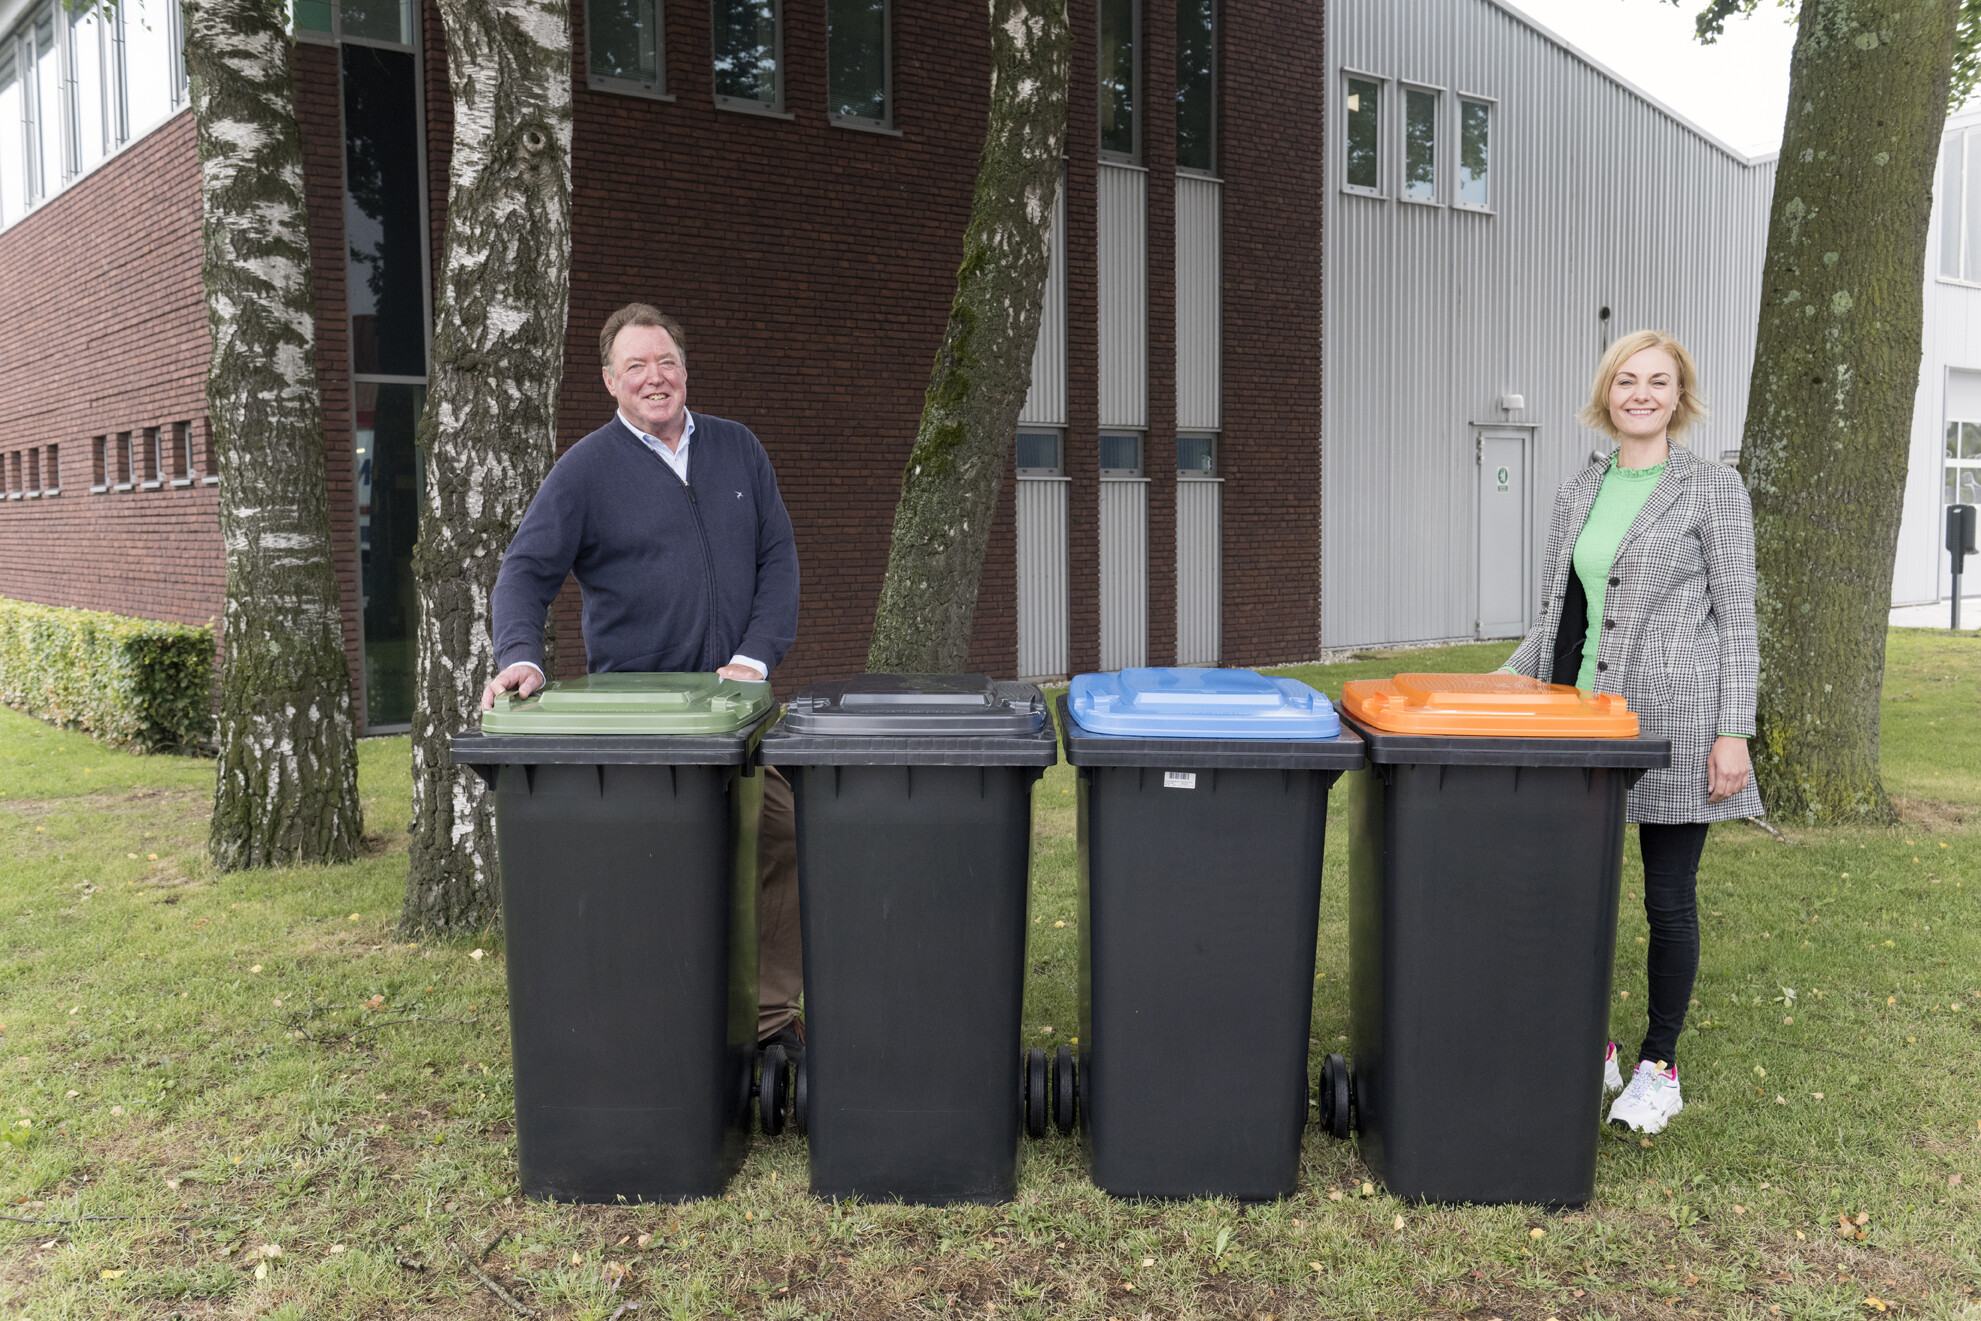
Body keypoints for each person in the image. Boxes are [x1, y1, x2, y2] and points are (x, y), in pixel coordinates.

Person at [480, 302, 805, 1063]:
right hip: (642, 722)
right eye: (636, 366)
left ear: (684, 370)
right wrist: (521, 654)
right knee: (661, 872)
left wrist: (756, 656)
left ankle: (765, 1020)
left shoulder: (738, 449)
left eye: (666, 362)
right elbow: (524, 572)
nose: (654, 378)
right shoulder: (585, 470)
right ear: (610, 381)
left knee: (787, 834)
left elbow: (778, 559)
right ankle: (660, 1023)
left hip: (738, 713)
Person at [1501, 328, 1762, 1135]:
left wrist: (1733, 730)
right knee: (1570, 894)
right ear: (1605, 393)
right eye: (1625, 380)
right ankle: (1595, 1045)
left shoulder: (1710, 487)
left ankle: (1658, 1065)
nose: (1640, 394)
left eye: (1657, 380)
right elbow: (1555, 615)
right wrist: (1496, 683)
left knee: (1667, 898)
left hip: (1676, 722)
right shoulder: (1578, 490)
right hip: (1579, 722)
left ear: (1679, 396)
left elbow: (1738, 617)